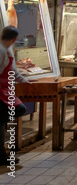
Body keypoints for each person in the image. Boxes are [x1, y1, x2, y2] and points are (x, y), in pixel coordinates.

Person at [0, 27, 29, 165]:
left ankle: (1, 156)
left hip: (5, 90)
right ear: (14, 39)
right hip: (1, 92)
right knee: (19, 109)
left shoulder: (8, 49)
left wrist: (24, 81)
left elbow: (13, 71)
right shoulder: (0, 50)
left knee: (1, 122)